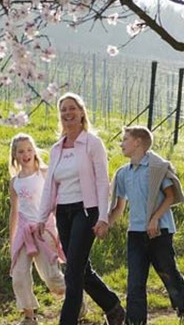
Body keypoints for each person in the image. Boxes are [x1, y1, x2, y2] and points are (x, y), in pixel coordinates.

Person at [36, 92, 125, 325]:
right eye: (63, 109)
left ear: (82, 112)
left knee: (73, 271)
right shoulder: (56, 148)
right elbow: (49, 187)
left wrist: (103, 218)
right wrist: (40, 218)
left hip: (86, 212)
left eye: (72, 108)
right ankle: (112, 307)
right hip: (63, 214)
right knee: (80, 268)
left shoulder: (92, 144)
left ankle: (67, 321)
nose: (68, 113)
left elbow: (101, 182)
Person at [108, 125, 184, 325]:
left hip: (160, 232)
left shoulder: (156, 168)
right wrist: (106, 225)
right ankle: (135, 322)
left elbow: (170, 196)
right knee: (135, 283)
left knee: (168, 273)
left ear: (137, 142)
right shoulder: (123, 173)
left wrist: (155, 218)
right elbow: (119, 206)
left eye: (125, 139)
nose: (121, 144)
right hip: (136, 234)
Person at [9, 133, 66, 325]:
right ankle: (29, 317)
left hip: (44, 229)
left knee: (51, 276)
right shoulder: (14, 182)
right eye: (21, 151)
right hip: (23, 232)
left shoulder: (45, 173)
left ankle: (75, 299)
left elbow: (57, 202)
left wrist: (61, 230)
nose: (26, 154)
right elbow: (14, 211)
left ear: (34, 151)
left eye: (29, 149)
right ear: (14, 155)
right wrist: (12, 239)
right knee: (19, 274)